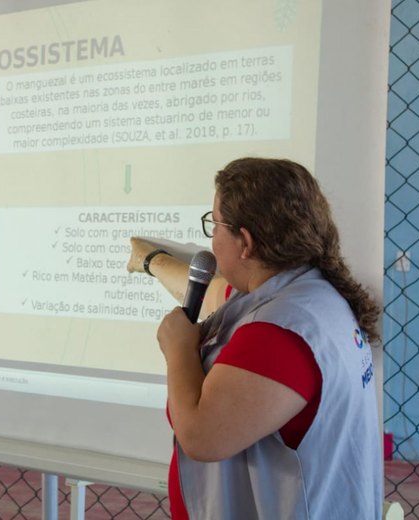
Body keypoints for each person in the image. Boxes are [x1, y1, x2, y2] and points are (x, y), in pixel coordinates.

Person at [126, 157, 383, 519]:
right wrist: (152, 262)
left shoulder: (278, 334)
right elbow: (217, 294)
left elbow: (201, 436)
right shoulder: (303, 294)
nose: (211, 238)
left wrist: (179, 349)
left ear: (244, 242)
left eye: (214, 225)